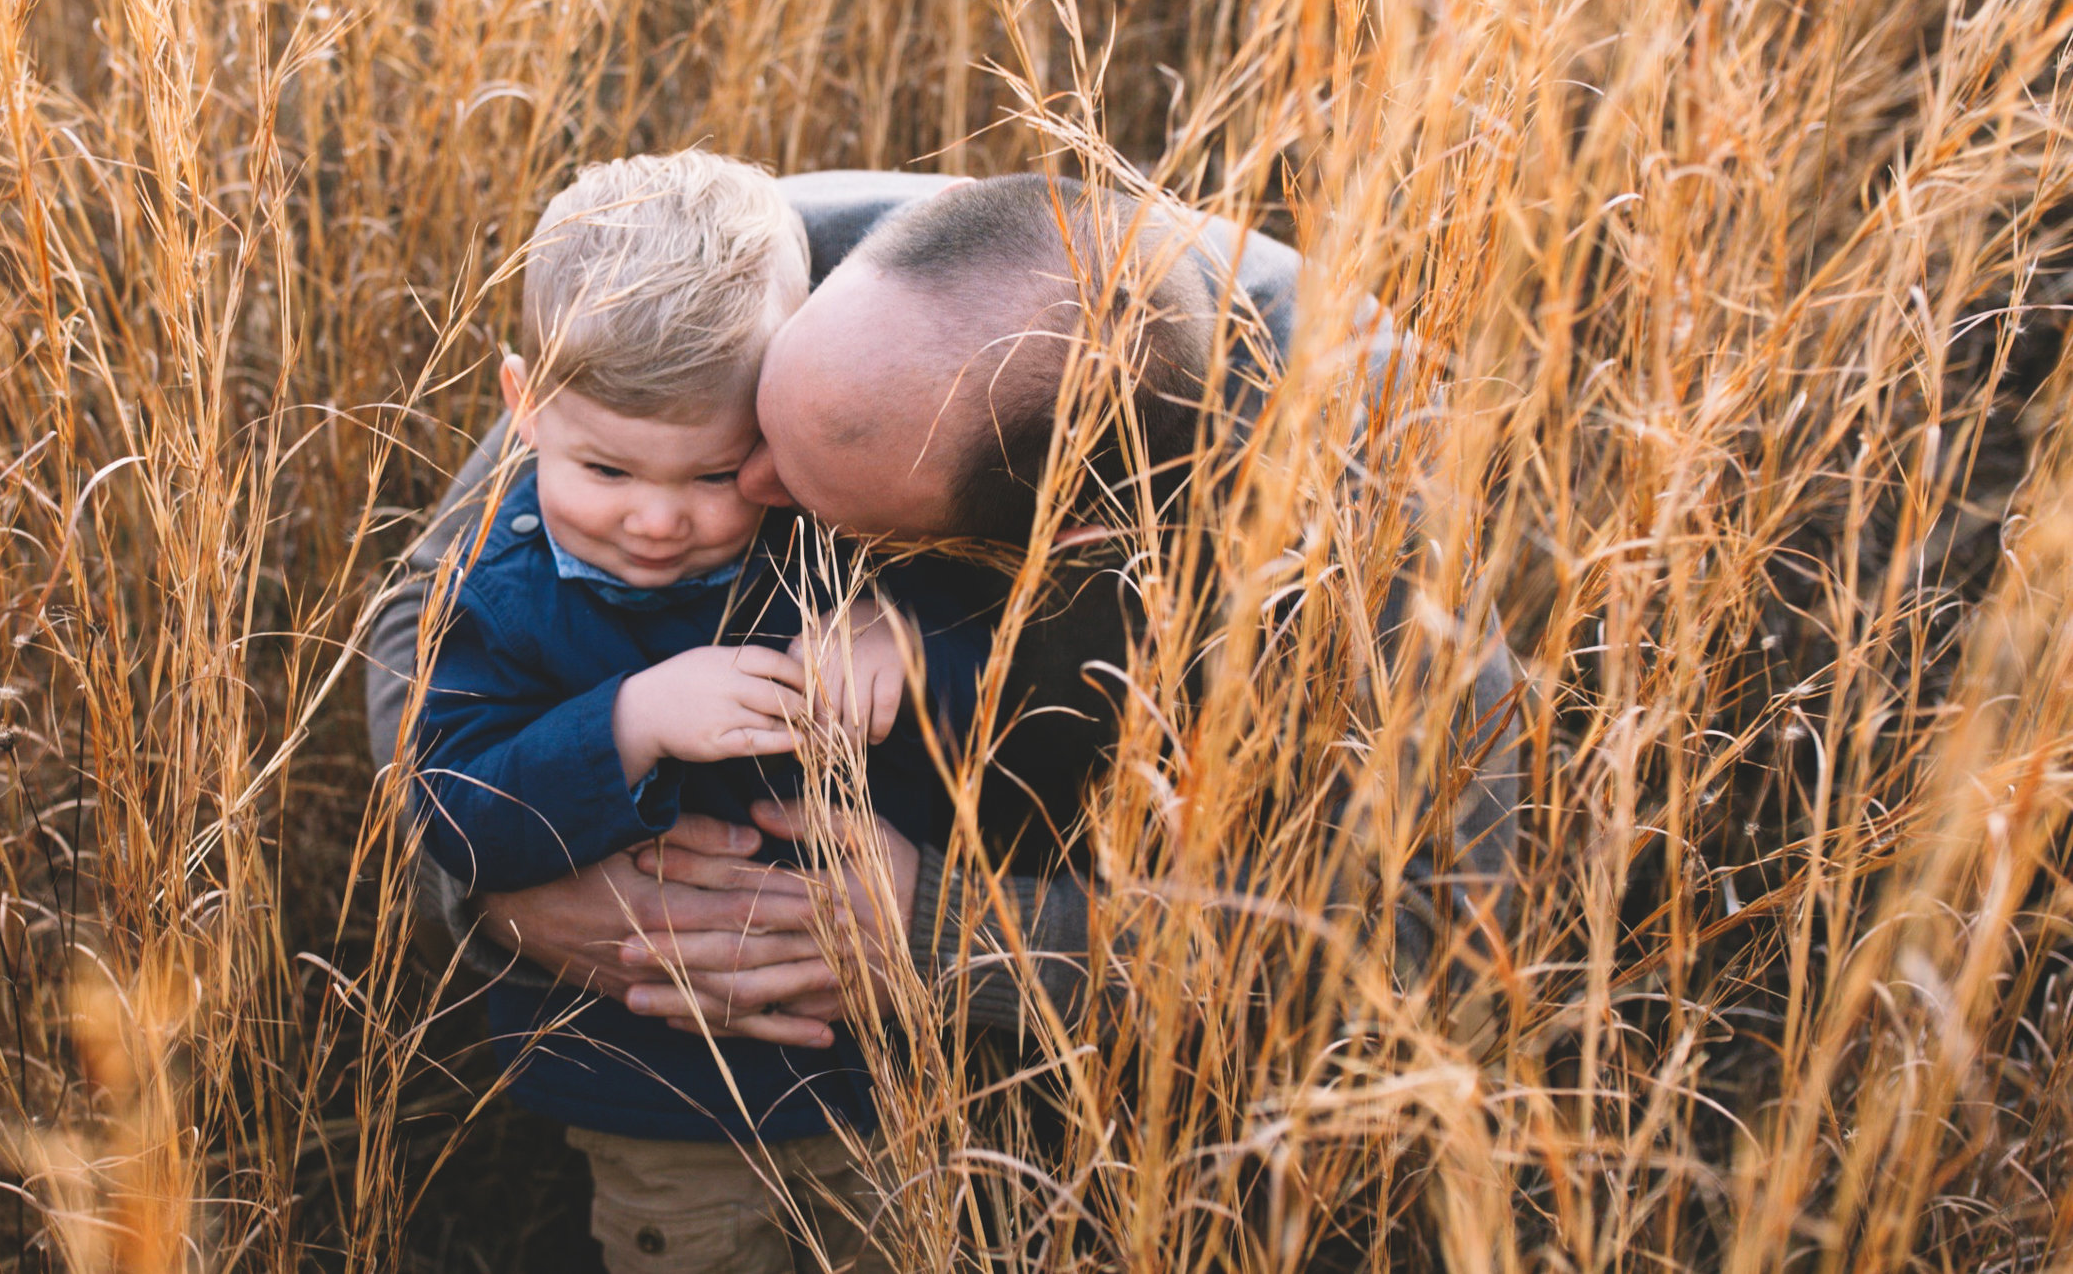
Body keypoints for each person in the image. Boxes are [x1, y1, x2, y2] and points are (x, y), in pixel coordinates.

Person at [365, 169, 1518, 1064]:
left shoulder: (1382, 522)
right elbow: (432, 599)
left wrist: (968, 938)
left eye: (805, 497)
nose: (729, 497)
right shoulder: (745, 276)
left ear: (1050, 543)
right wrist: (500, 892)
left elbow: (1423, 955)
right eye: (750, 431)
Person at [407, 152, 984, 1274]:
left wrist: (911, 644)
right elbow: (456, 814)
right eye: (608, 468)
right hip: (664, 1100)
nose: (657, 521)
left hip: (899, 1077)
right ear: (524, 403)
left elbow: (1021, 668)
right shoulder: (501, 597)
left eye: (714, 476)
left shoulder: (839, 532)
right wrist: (625, 721)